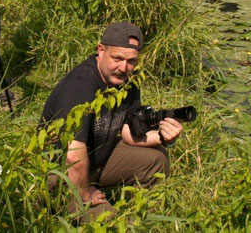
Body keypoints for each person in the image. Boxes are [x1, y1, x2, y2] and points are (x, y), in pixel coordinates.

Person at [40, 22, 184, 219]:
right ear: (101, 50)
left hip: (96, 162)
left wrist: (165, 136)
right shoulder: (81, 85)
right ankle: (63, 205)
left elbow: (128, 133)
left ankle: (141, 219)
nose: (123, 67)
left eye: (131, 61)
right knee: (110, 223)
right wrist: (83, 192)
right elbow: (72, 155)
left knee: (157, 160)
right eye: (117, 58)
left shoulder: (127, 82)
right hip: (62, 174)